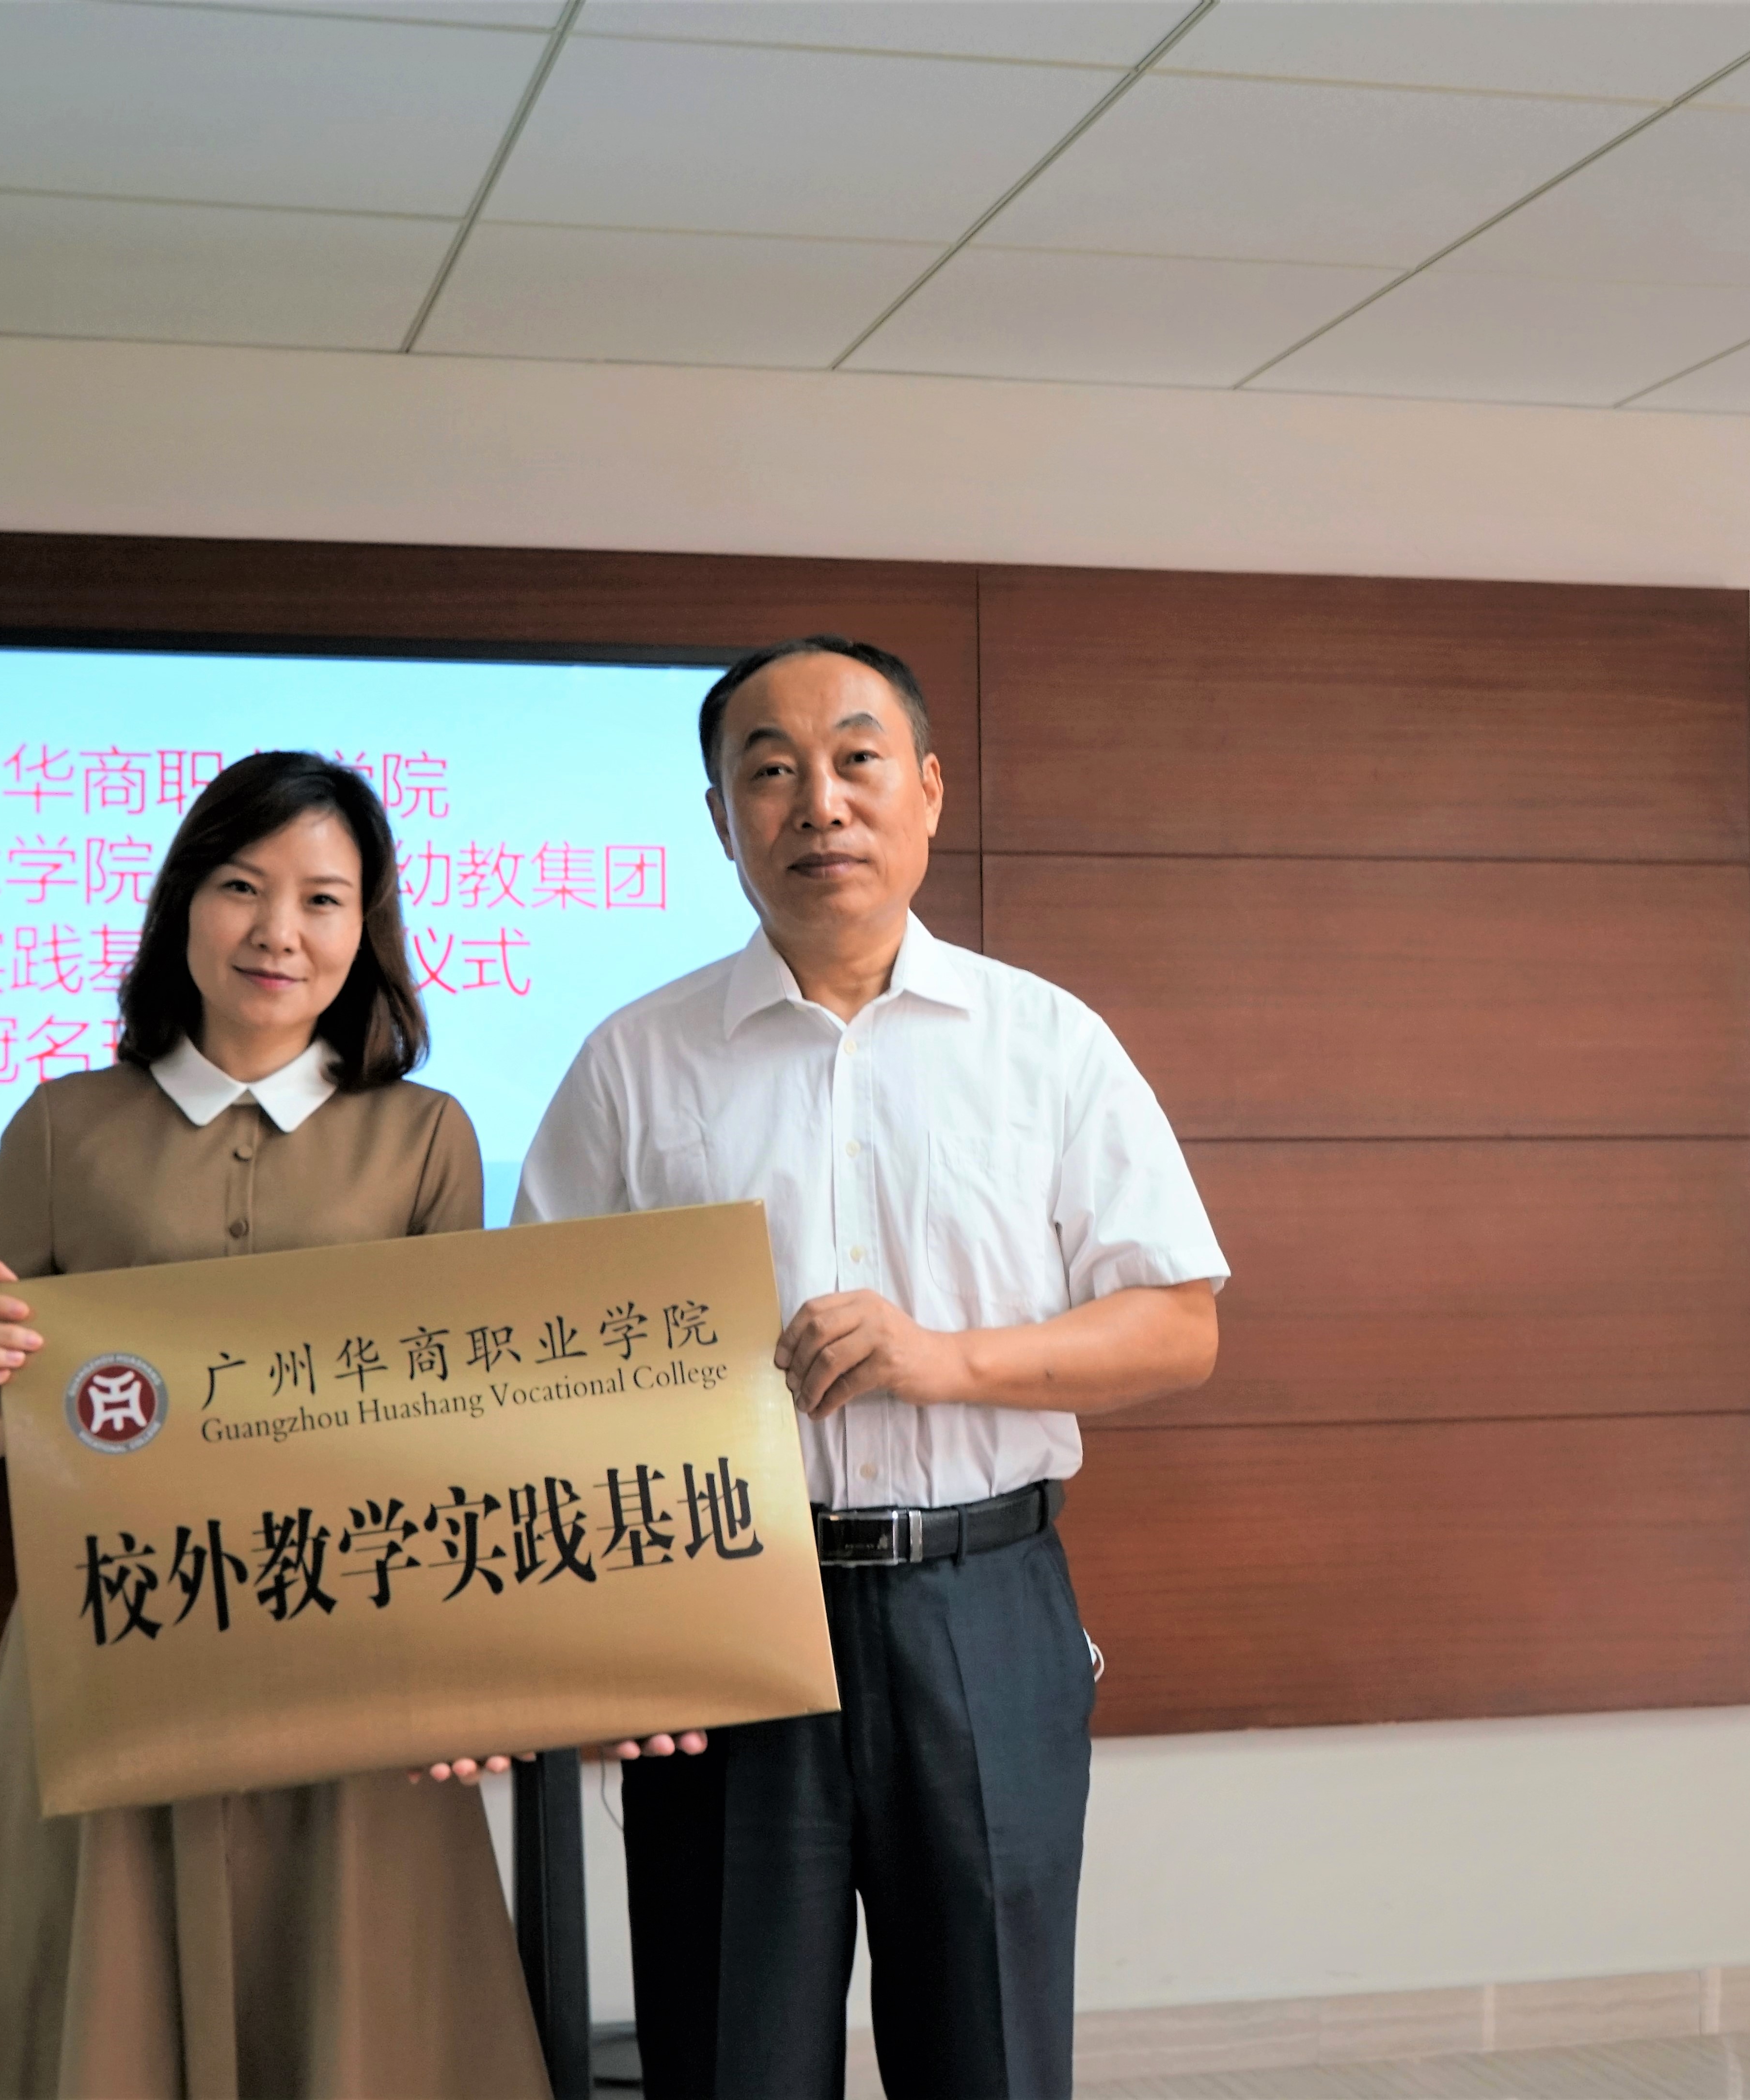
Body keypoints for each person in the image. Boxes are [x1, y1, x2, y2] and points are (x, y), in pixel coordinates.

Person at [512, 637, 1228, 2100]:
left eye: (855, 760)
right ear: (721, 819)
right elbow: (538, 1373)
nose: (818, 803)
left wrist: (944, 1360)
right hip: (725, 1615)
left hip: (983, 1606)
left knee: (991, 2057)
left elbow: (1177, 1326)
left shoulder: (1046, 1045)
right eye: (769, 771)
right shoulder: (634, 1065)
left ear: (929, 791)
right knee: (731, 2060)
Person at [0, 752, 548, 2100]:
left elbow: (455, 1432)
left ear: (367, 928)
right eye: (244, 888)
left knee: (357, 2028)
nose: (279, 931)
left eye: (323, 899)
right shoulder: (64, 1125)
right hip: (110, 1641)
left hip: (353, 1649)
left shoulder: (425, 1137)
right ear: (184, 904)